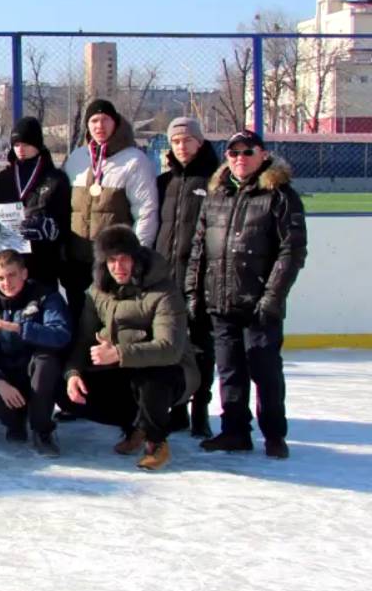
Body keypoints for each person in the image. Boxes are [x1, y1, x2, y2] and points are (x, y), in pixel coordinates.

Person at [187, 132, 308, 459]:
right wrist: (194, 295)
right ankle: (235, 431)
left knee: (265, 371)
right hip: (221, 301)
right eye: (233, 152)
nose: (240, 158)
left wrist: (271, 298)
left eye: (247, 152)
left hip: (259, 305)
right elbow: (199, 249)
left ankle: (274, 434)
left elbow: (291, 252)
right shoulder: (216, 195)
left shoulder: (280, 195)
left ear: (262, 154)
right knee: (229, 371)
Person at [65, 226, 196, 470]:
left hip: (172, 372)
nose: (118, 267)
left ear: (136, 258)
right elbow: (83, 340)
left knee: (150, 376)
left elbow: (169, 348)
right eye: (111, 260)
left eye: (124, 259)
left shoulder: (163, 290)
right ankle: (135, 426)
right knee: (65, 389)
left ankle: (156, 441)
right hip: (121, 367)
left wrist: (118, 353)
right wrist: (72, 374)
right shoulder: (98, 291)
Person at [61, 98, 159, 330]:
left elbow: (146, 211)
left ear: (115, 122)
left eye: (105, 119)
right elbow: (66, 207)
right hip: (78, 260)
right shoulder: (77, 158)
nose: (99, 126)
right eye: (94, 120)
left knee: (110, 323)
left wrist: (137, 254)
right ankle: (79, 366)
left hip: (113, 263)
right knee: (78, 319)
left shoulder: (133, 160)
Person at [154, 116, 220, 438]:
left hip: (200, 280)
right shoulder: (164, 183)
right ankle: (177, 408)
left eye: (187, 140)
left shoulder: (215, 180)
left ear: (199, 141)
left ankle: (201, 410)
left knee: (200, 347)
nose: (181, 146)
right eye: (176, 141)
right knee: (170, 345)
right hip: (166, 280)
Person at [0, 249, 72, 456]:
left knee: (46, 362)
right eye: (0, 278)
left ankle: (42, 431)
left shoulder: (46, 298)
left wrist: (18, 327)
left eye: (11, 275)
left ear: (24, 274)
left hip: (41, 376)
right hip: (9, 376)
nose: (6, 283)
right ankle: (14, 423)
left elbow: (60, 334)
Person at [0, 117, 69, 290]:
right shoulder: (2, 179)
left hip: (41, 264)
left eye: (26, 144)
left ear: (38, 145)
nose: (21, 149)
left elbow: (65, 221)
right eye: (17, 144)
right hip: (5, 264)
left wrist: (50, 228)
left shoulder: (55, 179)